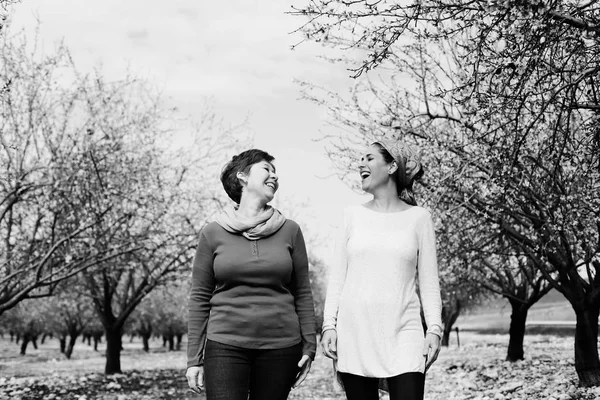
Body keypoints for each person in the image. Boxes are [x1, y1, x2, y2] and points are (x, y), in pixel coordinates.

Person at [185, 149, 317, 400]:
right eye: (267, 169)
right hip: (225, 344)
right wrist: (194, 359)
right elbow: (200, 297)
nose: (274, 176)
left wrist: (309, 346)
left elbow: (302, 291)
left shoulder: (290, 230)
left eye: (276, 172)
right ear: (243, 176)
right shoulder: (212, 233)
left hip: (281, 346)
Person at [320, 138, 443, 400]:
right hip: (355, 334)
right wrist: (328, 325)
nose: (360, 163)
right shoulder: (351, 216)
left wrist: (434, 329)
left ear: (391, 167)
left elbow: (430, 282)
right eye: (361, 159)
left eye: (369, 158)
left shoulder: (419, 218)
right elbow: (338, 278)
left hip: (404, 333)